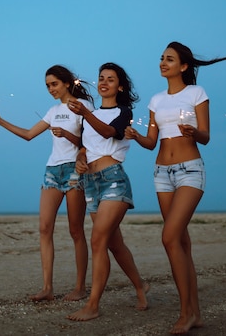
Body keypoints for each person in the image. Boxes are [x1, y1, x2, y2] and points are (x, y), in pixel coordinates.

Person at [125, 41, 226, 334]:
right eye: (161, 58)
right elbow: (151, 143)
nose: (163, 63)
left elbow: (206, 136)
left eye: (169, 59)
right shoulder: (156, 100)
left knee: (169, 237)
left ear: (184, 66)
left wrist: (193, 132)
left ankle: (185, 312)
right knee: (181, 244)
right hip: (162, 173)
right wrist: (136, 136)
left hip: (190, 171)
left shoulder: (197, 93)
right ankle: (195, 314)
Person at [0, 65, 93, 302]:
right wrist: (0, 121)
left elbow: (90, 142)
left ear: (67, 83)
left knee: (76, 230)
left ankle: (80, 287)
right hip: (52, 171)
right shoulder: (53, 110)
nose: (50, 89)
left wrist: (67, 135)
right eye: (47, 85)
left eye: (54, 84)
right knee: (45, 228)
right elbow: (28, 134)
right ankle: (47, 288)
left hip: (75, 171)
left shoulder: (83, 107)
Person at [66, 62, 149, 321]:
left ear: (119, 86)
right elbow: (85, 146)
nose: (103, 82)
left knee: (98, 241)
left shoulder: (124, 112)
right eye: (101, 78)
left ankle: (92, 305)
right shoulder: (90, 116)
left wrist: (85, 113)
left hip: (113, 181)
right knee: (114, 244)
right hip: (90, 184)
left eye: (110, 79)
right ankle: (140, 285)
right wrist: (80, 158)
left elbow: (109, 132)